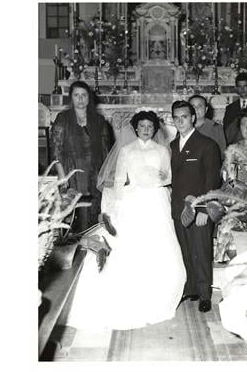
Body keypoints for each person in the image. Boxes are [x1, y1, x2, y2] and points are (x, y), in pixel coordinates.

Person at [63, 111, 186, 330]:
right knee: (132, 244)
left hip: (156, 200)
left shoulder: (162, 150)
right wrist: (118, 207)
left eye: (150, 126)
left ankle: (159, 291)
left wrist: (161, 178)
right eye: (142, 126)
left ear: (155, 129)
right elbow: (119, 180)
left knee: (159, 243)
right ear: (135, 128)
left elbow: (168, 176)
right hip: (134, 200)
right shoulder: (127, 150)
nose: (146, 130)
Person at [170, 100, 221, 313]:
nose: (180, 121)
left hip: (199, 209)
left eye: (184, 117)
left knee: (201, 251)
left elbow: (212, 181)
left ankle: (204, 294)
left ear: (193, 118)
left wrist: (205, 210)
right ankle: (190, 288)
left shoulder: (207, 145)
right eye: (176, 118)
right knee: (185, 250)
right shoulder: (172, 146)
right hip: (178, 208)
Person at [50, 80, 113, 231]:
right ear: (71, 98)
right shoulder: (63, 118)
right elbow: (56, 150)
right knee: (75, 215)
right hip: (72, 172)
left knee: (94, 213)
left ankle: (92, 241)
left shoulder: (99, 120)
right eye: (76, 95)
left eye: (84, 95)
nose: (80, 99)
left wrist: (105, 176)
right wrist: (62, 176)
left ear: (89, 98)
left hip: (94, 172)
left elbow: (105, 151)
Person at [222, 72, 247, 145]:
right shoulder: (230, 108)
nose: (242, 89)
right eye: (239, 86)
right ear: (236, 88)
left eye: (245, 86)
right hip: (234, 145)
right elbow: (226, 130)